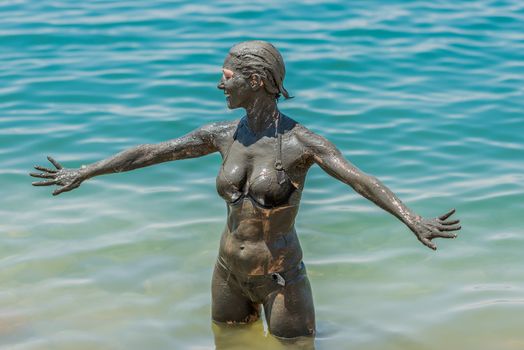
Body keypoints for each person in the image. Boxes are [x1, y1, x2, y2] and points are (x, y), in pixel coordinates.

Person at [30, 40, 460, 340]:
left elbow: (358, 179)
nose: (221, 84)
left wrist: (412, 218)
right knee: (232, 342)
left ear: (255, 81)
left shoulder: (302, 144)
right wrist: (84, 171)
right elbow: (149, 153)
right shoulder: (222, 135)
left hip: (280, 280)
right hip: (226, 274)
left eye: (227, 76)